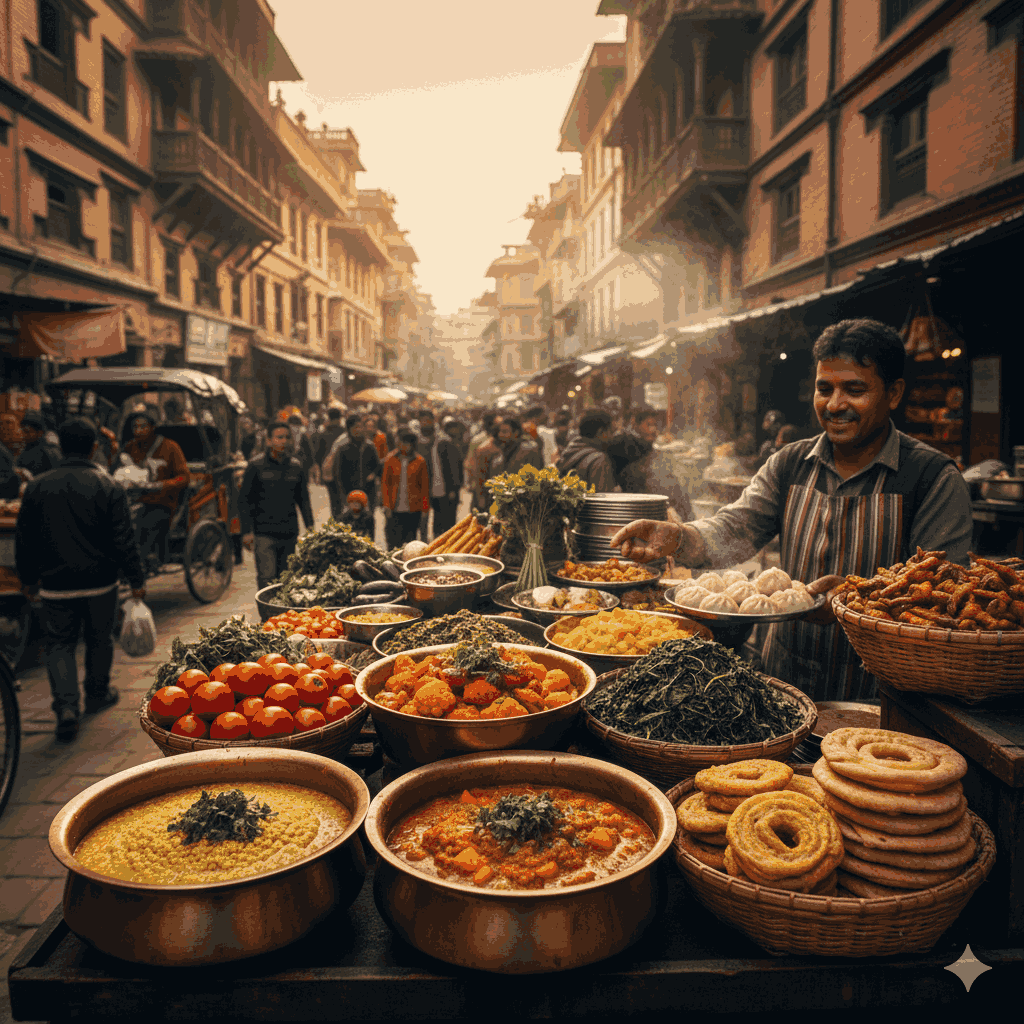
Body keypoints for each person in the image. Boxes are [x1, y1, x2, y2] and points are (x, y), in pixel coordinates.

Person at [610, 318, 973, 702]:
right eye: (824, 389)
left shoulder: (932, 478)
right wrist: (681, 537)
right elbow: (737, 528)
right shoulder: (791, 463)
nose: (835, 405)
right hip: (785, 680)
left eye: (855, 389)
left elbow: (944, 601)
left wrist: (855, 603)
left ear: (894, 393)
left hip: (882, 693)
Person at [15, 417, 146, 741]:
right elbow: (123, 539)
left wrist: (29, 579)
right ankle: (97, 693)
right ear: (93, 447)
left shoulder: (36, 486)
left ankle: (66, 707)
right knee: (99, 640)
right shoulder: (109, 486)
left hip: (54, 585)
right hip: (100, 582)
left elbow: (25, 539)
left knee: (59, 645)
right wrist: (136, 578)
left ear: (60, 445)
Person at [239, 421, 315, 591]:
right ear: (268, 441)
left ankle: (281, 617)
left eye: (287, 437)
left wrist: (310, 527)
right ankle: (267, 617)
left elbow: (303, 499)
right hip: (263, 533)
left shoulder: (296, 467)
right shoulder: (255, 466)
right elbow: (244, 500)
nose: (284, 441)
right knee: (267, 579)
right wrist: (246, 531)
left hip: (289, 532)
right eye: (279, 437)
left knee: (285, 580)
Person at [122, 409, 189, 569]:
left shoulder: (170, 447)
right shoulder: (130, 447)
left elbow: (184, 477)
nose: (138, 431)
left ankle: (144, 563)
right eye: (135, 427)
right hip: (135, 500)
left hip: (162, 501)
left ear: (152, 427)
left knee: (146, 523)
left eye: (143, 426)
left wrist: (162, 485)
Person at [381, 429, 429, 548]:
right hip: (394, 509)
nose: (403, 446)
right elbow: (386, 483)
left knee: (410, 543)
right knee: (393, 542)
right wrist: (386, 504)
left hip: (413, 510)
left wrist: (424, 508)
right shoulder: (390, 459)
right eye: (402, 442)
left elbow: (424, 486)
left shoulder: (420, 461)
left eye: (407, 443)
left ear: (412, 445)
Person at [328, 415, 380, 517]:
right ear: (349, 430)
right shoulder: (343, 449)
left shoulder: (370, 447)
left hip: (368, 493)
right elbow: (338, 474)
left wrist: (373, 475)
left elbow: (377, 467)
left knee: (368, 524)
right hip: (350, 494)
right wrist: (344, 496)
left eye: (360, 426)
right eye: (355, 427)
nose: (358, 429)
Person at [422, 412, 463, 539]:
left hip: (447, 490)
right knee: (438, 521)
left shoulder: (445, 443)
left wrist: (453, 489)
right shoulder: (426, 444)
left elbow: (454, 468)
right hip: (434, 490)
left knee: (448, 523)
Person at [555, 409, 617, 492]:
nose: (612, 437)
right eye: (611, 432)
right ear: (600, 432)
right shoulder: (599, 460)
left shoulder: (569, 452)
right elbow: (601, 500)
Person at [607, 406, 662, 491]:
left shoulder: (646, 446)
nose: (653, 429)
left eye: (655, 425)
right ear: (634, 424)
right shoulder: (624, 444)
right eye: (649, 424)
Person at [466, 413, 502, 510]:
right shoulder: (485, 444)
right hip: (483, 484)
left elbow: (469, 464)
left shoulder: (477, 439)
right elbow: (473, 465)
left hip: (481, 485)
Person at [315, 407, 346, 519]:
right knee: (343, 498)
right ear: (340, 418)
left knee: (334, 499)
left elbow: (318, 454)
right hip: (344, 471)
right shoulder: (345, 432)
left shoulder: (324, 433)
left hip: (329, 472)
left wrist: (322, 468)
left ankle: (337, 520)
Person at [16, 411, 62, 478]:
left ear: (40, 433)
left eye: (27, 432)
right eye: (22, 431)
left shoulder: (44, 452)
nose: (23, 435)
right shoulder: (26, 449)